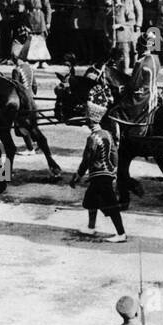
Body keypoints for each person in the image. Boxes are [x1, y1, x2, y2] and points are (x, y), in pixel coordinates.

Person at [70, 102, 126, 243]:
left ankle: (121, 233)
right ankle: (91, 227)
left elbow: (86, 159)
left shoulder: (92, 138)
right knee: (91, 200)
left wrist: (78, 175)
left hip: (98, 175)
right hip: (106, 174)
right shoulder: (107, 134)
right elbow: (114, 154)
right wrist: (114, 169)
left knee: (110, 205)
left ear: (90, 121)